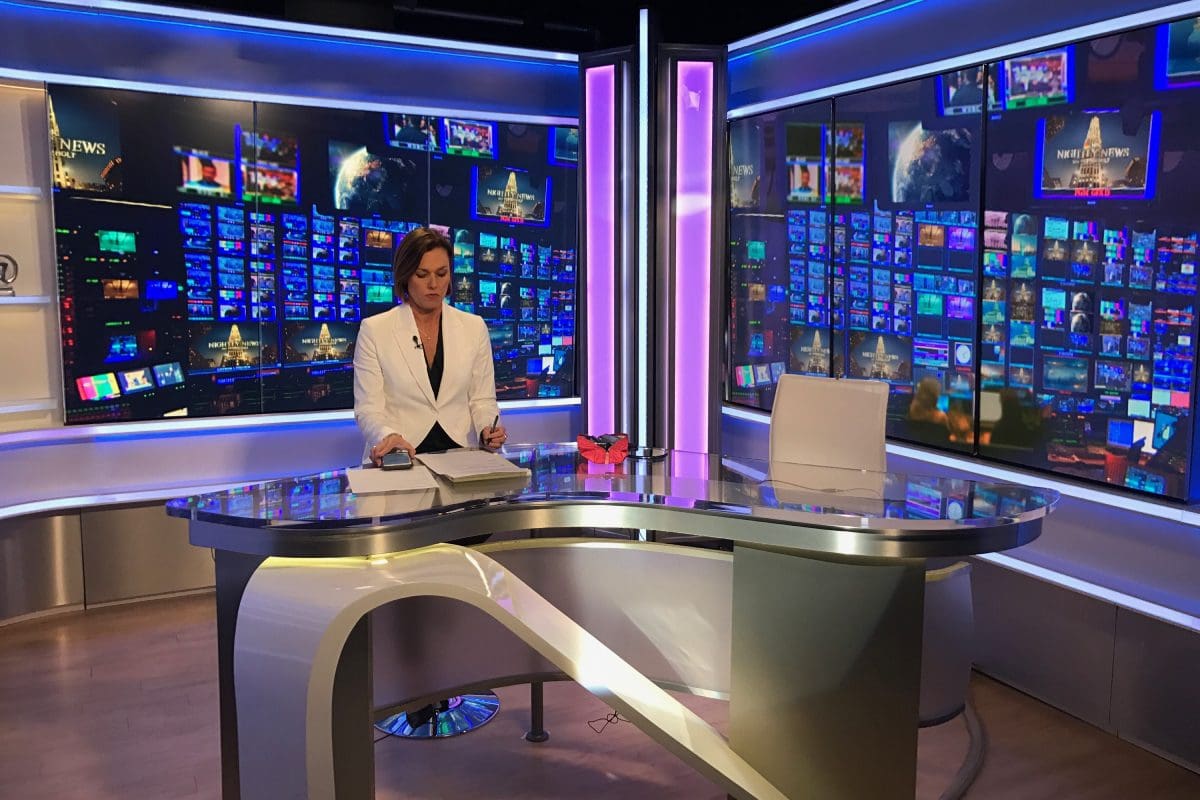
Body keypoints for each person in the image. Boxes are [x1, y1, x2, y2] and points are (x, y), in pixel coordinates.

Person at [353, 226, 506, 466]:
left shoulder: (474, 327)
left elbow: (482, 400)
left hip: (462, 457)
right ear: (405, 276)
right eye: (422, 275)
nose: (434, 284)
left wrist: (488, 428)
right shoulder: (375, 330)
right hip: (401, 456)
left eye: (442, 273)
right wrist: (386, 436)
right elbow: (368, 410)